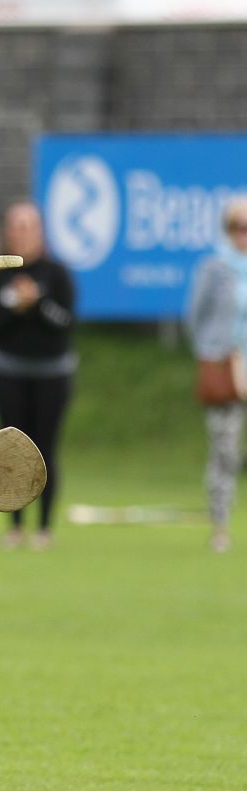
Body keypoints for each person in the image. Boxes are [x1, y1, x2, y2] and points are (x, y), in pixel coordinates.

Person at [0, 200, 76, 551]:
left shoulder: (57, 274)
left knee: (46, 449)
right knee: (12, 449)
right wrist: (16, 309)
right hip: (8, 372)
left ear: (40, 232)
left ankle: (45, 527)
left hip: (51, 375)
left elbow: (64, 324)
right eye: (15, 227)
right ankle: (16, 525)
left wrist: (35, 304)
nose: (20, 234)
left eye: (28, 227)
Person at [184, 197, 247, 554]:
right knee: (225, 450)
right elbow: (195, 317)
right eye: (240, 227)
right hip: (226, 364)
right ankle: (220, 526)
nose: (245, 235)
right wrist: (211, 353)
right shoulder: (215, 268)